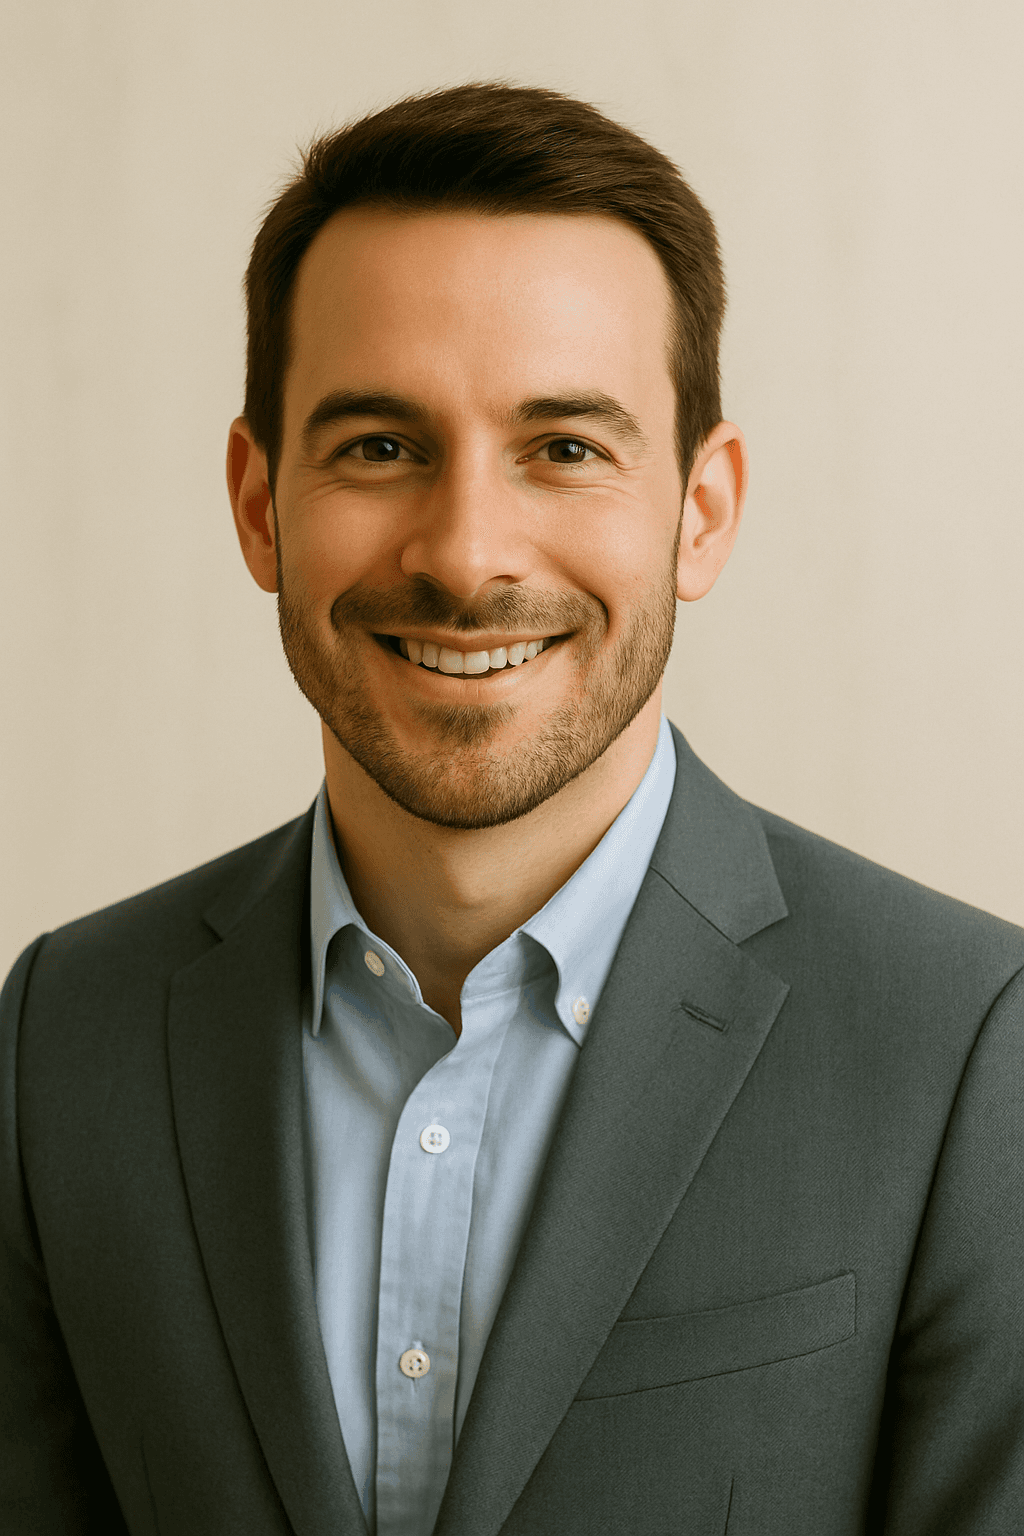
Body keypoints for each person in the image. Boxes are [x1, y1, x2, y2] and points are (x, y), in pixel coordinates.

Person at [2, 81, 1023, 1536]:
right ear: (257, 503)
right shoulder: (62, 1039)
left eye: (566, 448)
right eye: (377, 446)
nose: (468, 553)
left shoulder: (968, 1049)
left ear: (704, 511)